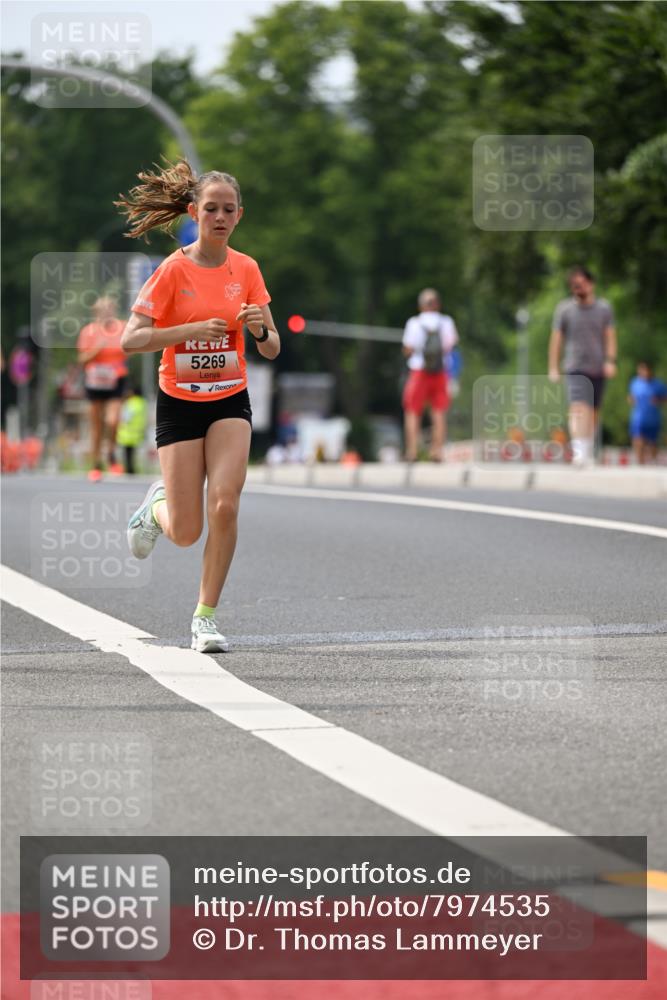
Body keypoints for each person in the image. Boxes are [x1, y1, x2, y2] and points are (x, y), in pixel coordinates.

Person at [116, 160, 280, 653]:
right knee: (186, 532)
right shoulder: (172, 270)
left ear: (239, 215)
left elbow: (272, 347)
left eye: (229, 210)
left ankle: (204, 617)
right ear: (194, 212)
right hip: (179, 402)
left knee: (225, 504)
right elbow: (130, 340)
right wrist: (188, 331)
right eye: (211, 209)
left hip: (230, 399)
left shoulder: (246, 269)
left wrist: (257, 329)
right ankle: (157, 504)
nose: (220, 217)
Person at [548, 267, 617, 466]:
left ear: (591, 284)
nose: (579, 288)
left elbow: (610, 336)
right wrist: (553, 366)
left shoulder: (604, 309)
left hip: (597, 366)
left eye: (582, 284)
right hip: (574, 366)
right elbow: (556, 340)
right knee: (579, 407)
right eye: (575, 286)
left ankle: (587, 447)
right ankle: (580, 451)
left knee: (594, 411)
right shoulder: (565, 310)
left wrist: (611, 360)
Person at [401, 288, 459, 462]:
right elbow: (451, 345)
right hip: (440, 371)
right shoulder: (446, 322)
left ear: (421, 306)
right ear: (438, 305)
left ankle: (412, 451)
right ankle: (437, 451)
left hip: (419, 371)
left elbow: (408, 349)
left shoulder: (414, 323)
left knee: (412, 410)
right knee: (439, 411)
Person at [77, 296, 128, 472]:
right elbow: (82, 359)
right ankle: (96, 463)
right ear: (96, 313)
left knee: (113, 420)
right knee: (96, 424)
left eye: (110, 309)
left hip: (116, 378)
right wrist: (96, 350)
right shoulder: (88, 332)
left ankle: (111, 453)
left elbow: (131, 348)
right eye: (103, 310)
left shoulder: (122, 328)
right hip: (95, 380)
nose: (107, 313)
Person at [627, 361, 666, 464]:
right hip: (638, 417)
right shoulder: (635, 382)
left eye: (644, 370)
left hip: (653, 418)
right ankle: (640, 462)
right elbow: (630, 396)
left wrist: (658, 400)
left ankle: (653, 461)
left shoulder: (658, 384)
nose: (643, 372)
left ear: (649, 371)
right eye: (640, 370)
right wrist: (631, 400)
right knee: (638, 438)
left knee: (653, 441)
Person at [116, 382, 148, 474]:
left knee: (127, 455)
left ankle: (129, 470)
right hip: (137, 434)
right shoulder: (142, 403)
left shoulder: (130, 403)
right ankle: (132, 469)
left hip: (127, 434)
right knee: (133, 454)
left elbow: (126, 417)